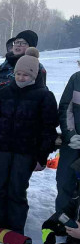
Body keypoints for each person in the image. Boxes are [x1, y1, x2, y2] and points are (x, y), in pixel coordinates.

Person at [0, 49, 57, 234]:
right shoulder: (3, 93)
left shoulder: (44, 96)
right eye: (18, 74)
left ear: (34, 75)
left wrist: (42, 155)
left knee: (17, 189)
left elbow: (48, 129)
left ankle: (15, 227)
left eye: (26, 75)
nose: (21, 78)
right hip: (1, 149)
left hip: (26, 152)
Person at [0, 30, 47, 125]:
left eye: (23, 43)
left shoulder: (37, 69)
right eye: (16, 42)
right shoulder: (0, 69)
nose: (18, 45)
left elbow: (42, 97)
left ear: (31, 47)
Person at [55, 54, 80, 213]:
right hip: (73, 143)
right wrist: (70, 134)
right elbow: (65, 108)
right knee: (65, 180)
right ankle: (63, 219)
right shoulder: (76, 79)